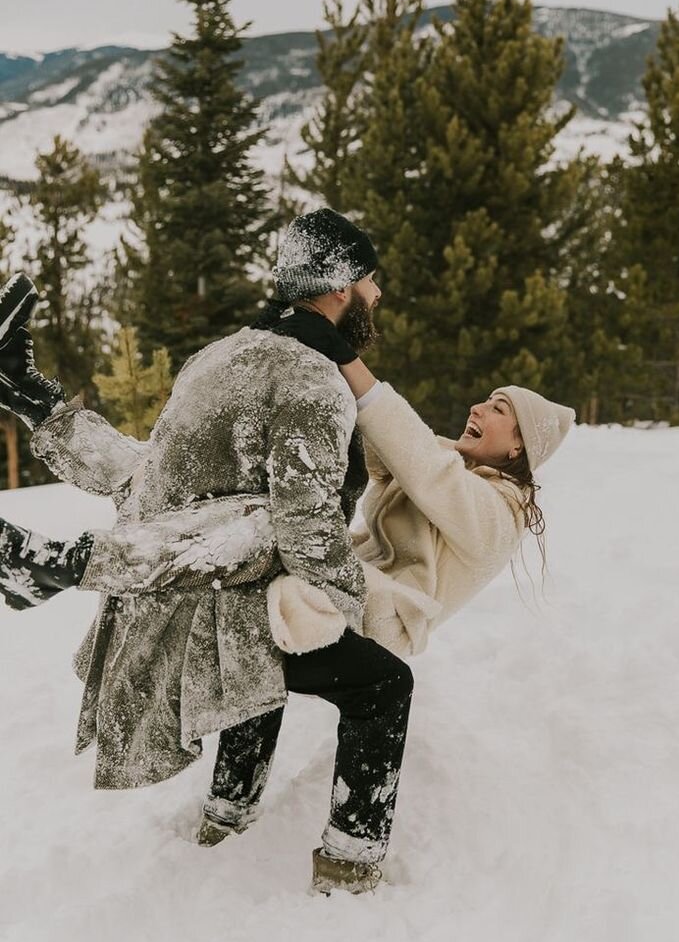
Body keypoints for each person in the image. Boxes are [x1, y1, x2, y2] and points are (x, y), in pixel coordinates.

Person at [0, 210, 418, 897]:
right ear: (341, 286)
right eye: (372, 283)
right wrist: (345, 606)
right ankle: (348, 868)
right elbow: (308, 525)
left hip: (162, 589)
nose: (377, 298)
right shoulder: (313, 380)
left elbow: (149, 482)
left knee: (206, 519)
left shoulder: (220, 355)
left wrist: (50, 414)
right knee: (381, 684)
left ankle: (226, 820)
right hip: (207, 604)